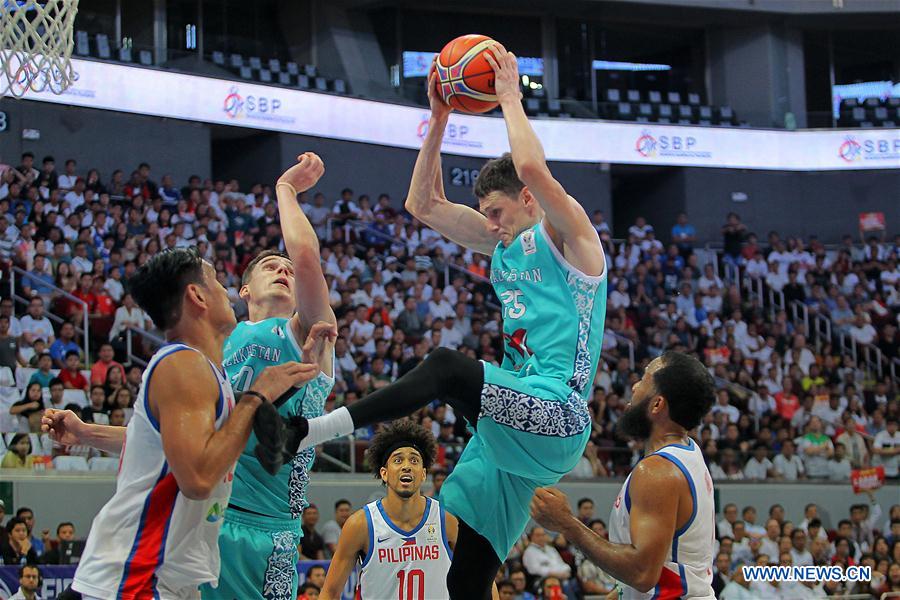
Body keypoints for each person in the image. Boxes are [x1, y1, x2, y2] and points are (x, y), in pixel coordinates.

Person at [291, 43, 607, 599]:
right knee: (463, 563)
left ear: (529, 200)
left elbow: (531, 164)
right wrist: (437, 119)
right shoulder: (505, 243)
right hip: (507, 432)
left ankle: (318, 430)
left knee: (442, 365)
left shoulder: (569, 237)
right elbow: (423, 204)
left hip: (558, 413)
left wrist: (509, 95)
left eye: (497, 213)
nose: (490, 225)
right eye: (485, 215)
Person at [42, 247, 316, 599]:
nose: (226, 293)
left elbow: (167, 447)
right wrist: (256, 396)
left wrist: (85, 432)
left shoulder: (202, 370)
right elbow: (199, 479)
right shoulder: (183, 365)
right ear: (196, 295)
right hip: (137, 573)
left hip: (163, 574)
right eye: (217, 283)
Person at [203, 153, 337, 600]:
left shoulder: (307, 330)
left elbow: (304, 257)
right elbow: (171, 433)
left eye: (287, 271)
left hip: (273, 528)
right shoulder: (216, 343)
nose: (283, 271)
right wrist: (89, 434)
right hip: (209, 515)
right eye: (269, 267)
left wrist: (285, 189)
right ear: (243, 290)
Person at [529, 351, 716, 599]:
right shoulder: (688, 453)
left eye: (644, 379)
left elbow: (642, 574)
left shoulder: (659, 471)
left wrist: (567, 524)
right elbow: (662, 569)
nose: (635, 386)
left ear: (657, 404)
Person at [319, 421, 456, 600]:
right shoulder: (360, 524)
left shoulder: (447, 520)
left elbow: (481, 577)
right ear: (384, 473)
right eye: (398, 460)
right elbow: (330, 592)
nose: (406, 466)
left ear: (423, 474)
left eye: (414, 460)